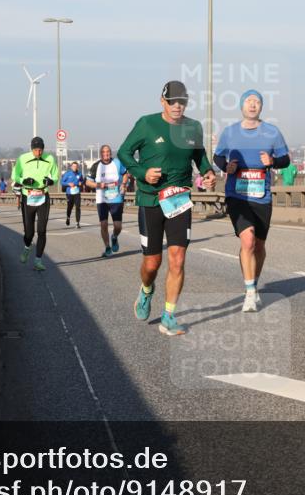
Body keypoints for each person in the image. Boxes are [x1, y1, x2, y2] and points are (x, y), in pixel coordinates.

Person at [117, 80, 216, 336]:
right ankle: (147, 290)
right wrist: (142, 173)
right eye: (173, 102)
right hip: (151, 200)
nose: (177, 107)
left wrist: (207, 171)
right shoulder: (146, 124)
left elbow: (199, 155)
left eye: (182, 102)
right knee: (152, 263)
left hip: (180, 200)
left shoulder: (193, 127)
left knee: (178, 259)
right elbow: (124, 153)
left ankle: (169, 316)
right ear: (163, 102)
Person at [213, 89, 291, 312]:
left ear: (261, 107)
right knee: (247, 241)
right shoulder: (230, 132)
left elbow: (285, 160)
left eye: (257, 101)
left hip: (261, 195)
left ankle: (253, 284)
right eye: (249, 101)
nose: (253, 105)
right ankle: (249, 292)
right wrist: (224, 166)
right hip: (236, 194)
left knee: (259, 245)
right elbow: (218, 156)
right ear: (241, 106)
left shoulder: (272, 132)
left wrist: (272, 160)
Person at [11, 136, 59, 271]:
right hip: (28, 196)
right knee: (29, 233)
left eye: (40, 150)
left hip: (43, 197)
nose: (38, 153)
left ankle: (38, 260)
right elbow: (14, 175)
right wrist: (25, 180)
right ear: (31, 149)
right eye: (36, 150)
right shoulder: (22, 158)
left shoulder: (49, 158)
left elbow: (55, 176)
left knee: (42, 231)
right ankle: (27, 247)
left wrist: (51, 181)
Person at [86, 144, 129, 258]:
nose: (106, 154)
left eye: (108, 152)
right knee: (103, 224)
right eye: (104, 152)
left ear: (110, 153)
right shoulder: (96, 166)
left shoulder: (117, 163)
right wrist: (98, 184)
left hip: (116, 197)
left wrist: (123, 184)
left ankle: (114, 237)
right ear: (101, 154)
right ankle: (107, 247)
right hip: (102, 198)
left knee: (118, 226)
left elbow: (125, 175)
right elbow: (88, 182)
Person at [60, 161, 84, 228]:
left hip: (77, 192)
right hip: (69, 193)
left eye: (76, 166)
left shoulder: (79, 174)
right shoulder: (67, 174)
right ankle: (68, 217)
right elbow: (61, 182)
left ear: (77, 167)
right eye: (73, 166)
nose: (75, 167)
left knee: (78, 207)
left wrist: (81, 183)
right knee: (69, 207)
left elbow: (82, 181)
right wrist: (68, 184)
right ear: (71, 167)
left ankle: (77, 223)